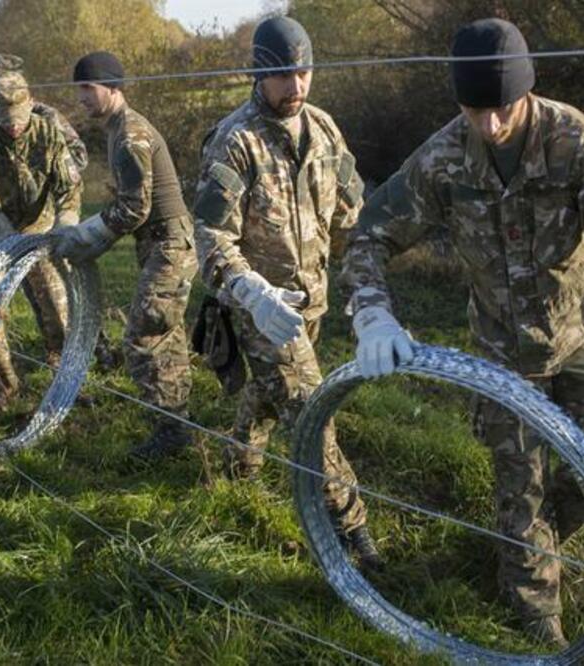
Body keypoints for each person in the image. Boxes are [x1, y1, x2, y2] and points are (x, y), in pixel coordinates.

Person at [340, 18, 584, 645]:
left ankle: (525, 548)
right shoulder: (443, 158)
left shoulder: (577, 143)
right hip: (503, 353)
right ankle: (536, 626)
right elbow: (370, 233)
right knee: (519, 487)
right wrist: (372, 311)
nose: (490, 125)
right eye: (475, 110)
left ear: (527, 92)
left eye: (503, 109)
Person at [192, 16, 380, 567]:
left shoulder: (323, 129)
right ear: (258, 72)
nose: (296, 86)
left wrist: (371, 284)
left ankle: (237, 465)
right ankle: (353, 532)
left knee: (275, 390)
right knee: (310, 407)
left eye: (305, 73)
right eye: (283, 76)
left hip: (312, 302)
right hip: (260, 307)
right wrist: (248, 289)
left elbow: (353, 213)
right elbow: (209, 235)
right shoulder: (235, 141)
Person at [53, 51, 198, 458]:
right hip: (161, 242)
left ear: (112, 87)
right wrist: (94, 239)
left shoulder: (131, 134)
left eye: (87, 88)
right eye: (78, 87)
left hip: (170, 242)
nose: (80, 97)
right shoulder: (117, 128)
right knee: (164, 332)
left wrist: (88, 235)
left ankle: (172, 431)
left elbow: (135, 208)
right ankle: (177, 423)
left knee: (143, 335)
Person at [0, 54, 83, 410]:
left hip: (40, 226)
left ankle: (63, 378)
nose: (13, 128)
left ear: (30, 106)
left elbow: (68, 185)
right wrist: (2, 233)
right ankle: (5, 383)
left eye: (18, 121)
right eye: (5, 121)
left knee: (56, 305)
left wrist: (67, 221)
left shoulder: (47, 130)